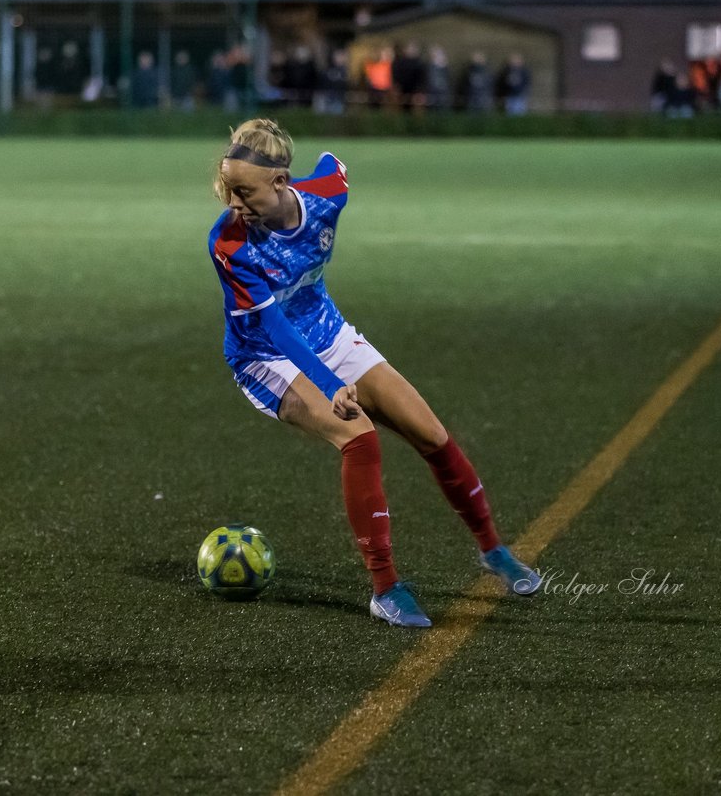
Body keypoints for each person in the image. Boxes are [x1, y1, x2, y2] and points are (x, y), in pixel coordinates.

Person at [206, 119, 542, 628]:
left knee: (431, 433)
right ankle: (385, 589)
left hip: (331, 333)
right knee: (360, 439)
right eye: (226, 189)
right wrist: (329, 384)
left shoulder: (325, 195)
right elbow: (274, 328)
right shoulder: (229, 243)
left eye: (243, 190)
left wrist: (337, 371)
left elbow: (333, 165)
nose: (232, 203)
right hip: (265, 358)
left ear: (281, 182)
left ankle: (493, 549)